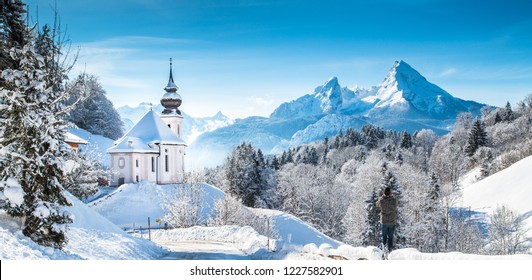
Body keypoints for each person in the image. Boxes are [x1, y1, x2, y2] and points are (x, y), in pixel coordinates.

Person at [376, 187, 397, 252]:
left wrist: (382, 196)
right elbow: (396, 206)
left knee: (384, 238)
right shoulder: (393, 200)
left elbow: (377, 205)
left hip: (384, 222)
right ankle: (390, 251)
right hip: (391, 222)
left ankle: (383, 252)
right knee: (390, 238)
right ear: (390, 193)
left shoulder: (382, 200)